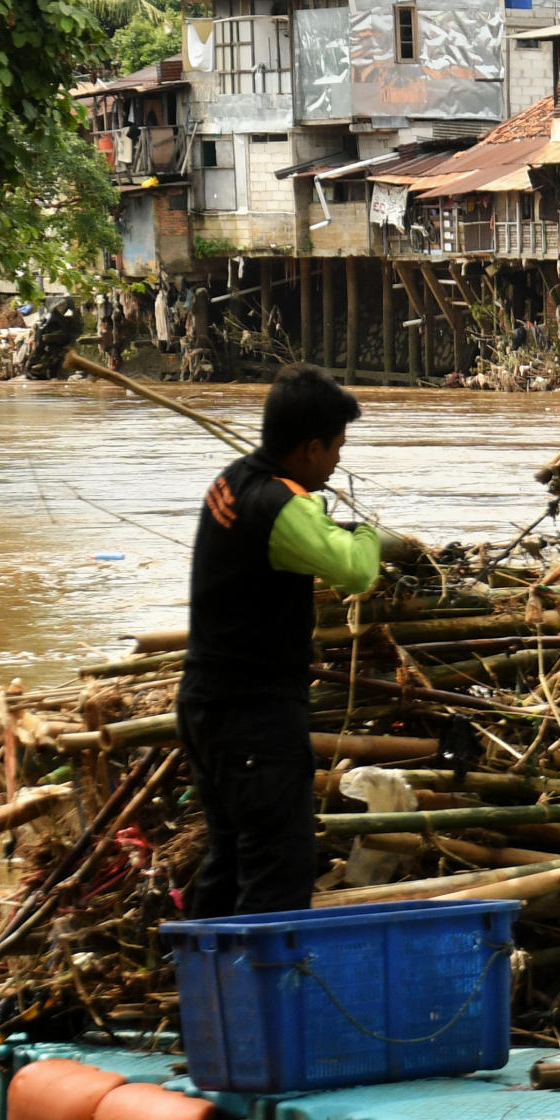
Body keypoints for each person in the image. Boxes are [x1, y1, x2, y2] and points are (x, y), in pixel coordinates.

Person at [178, 365, 388, 918]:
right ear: (311, 448)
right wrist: (368, 532)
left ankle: (201, 986)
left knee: (230, 856)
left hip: (206, 705)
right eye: (337, 448)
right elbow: (356, 572)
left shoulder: (234, 478)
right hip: (254, 719)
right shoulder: (283, 507)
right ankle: (260, 997)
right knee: (280, 866)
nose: (339, 461)